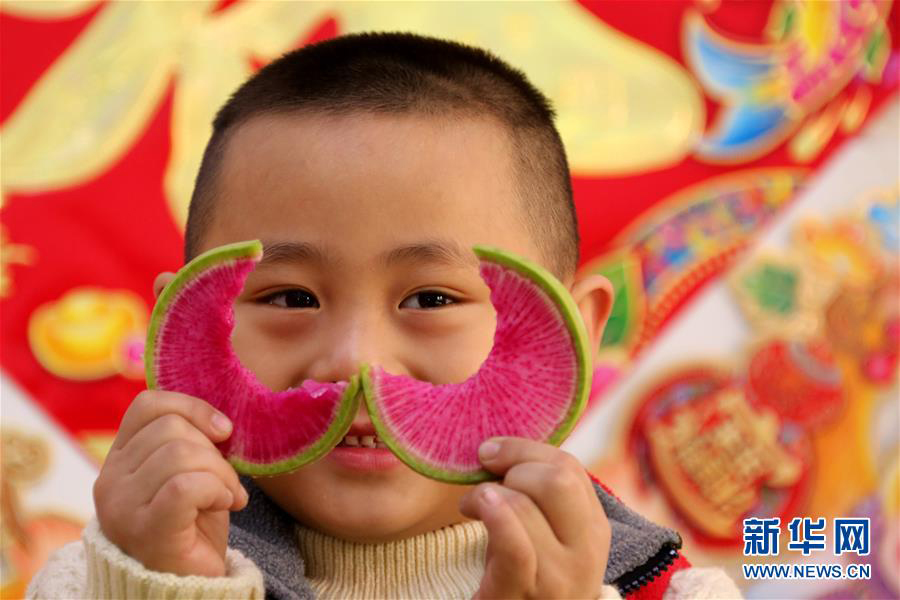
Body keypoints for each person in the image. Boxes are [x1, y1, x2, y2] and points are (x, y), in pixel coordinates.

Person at [28, 32, 740, 599]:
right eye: (290, 298)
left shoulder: (678, 592)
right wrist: (162, 585)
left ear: (573, 334)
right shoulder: (91, 583)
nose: (355, 358)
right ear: (180, 330)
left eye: (432, 299)